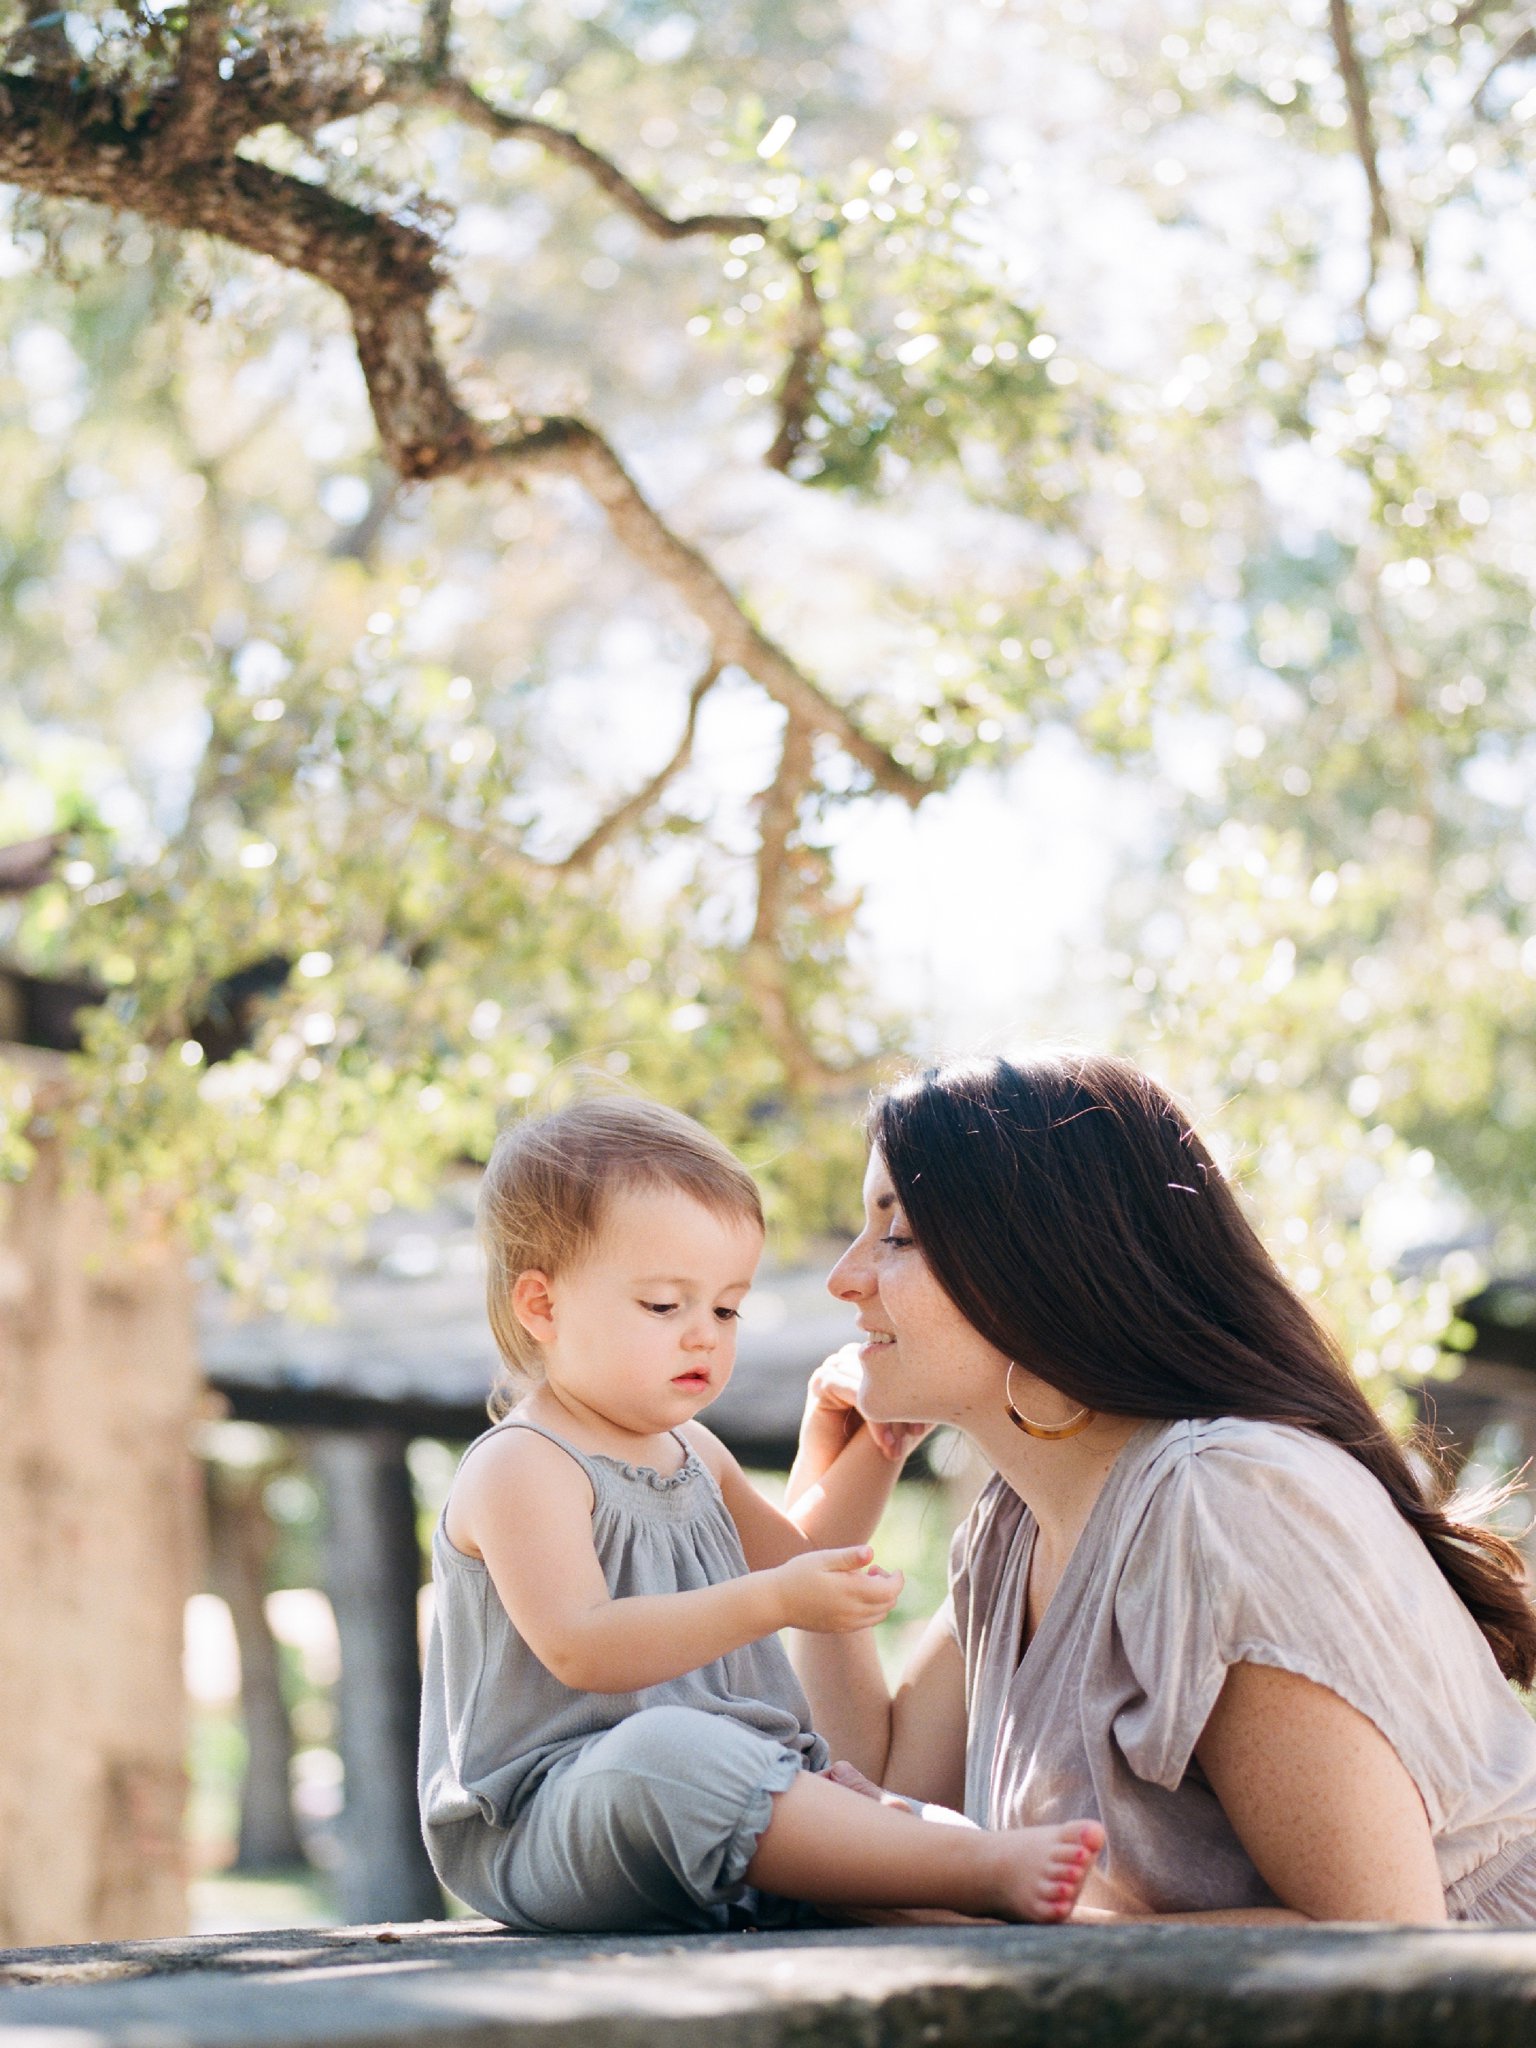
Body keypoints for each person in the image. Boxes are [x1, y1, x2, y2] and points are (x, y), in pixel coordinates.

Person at [786, 1051, 1536, 1924]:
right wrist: (825, 1531)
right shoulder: (1014, 1528)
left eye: (899, 1235)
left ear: (1039, 1265)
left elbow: (1379, 1948)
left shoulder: (1221, 1502)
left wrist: (997, 1924)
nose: (845, 1275)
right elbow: (875, 1795)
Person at [417, 1094, 1105, 1933]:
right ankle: (976, 1869)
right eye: (666, 1306)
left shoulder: (692, 1451)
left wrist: (870, 1449)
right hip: (554, 1812)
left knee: (838, 1799)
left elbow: (801, 1554)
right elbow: (584, 1645)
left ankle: (929, 1874)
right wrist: (775, 1603)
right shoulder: (524, 1464)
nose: (705, 1336)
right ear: (543, 1305)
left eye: (726, 1308)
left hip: (724, 1781)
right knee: (668, 1754)